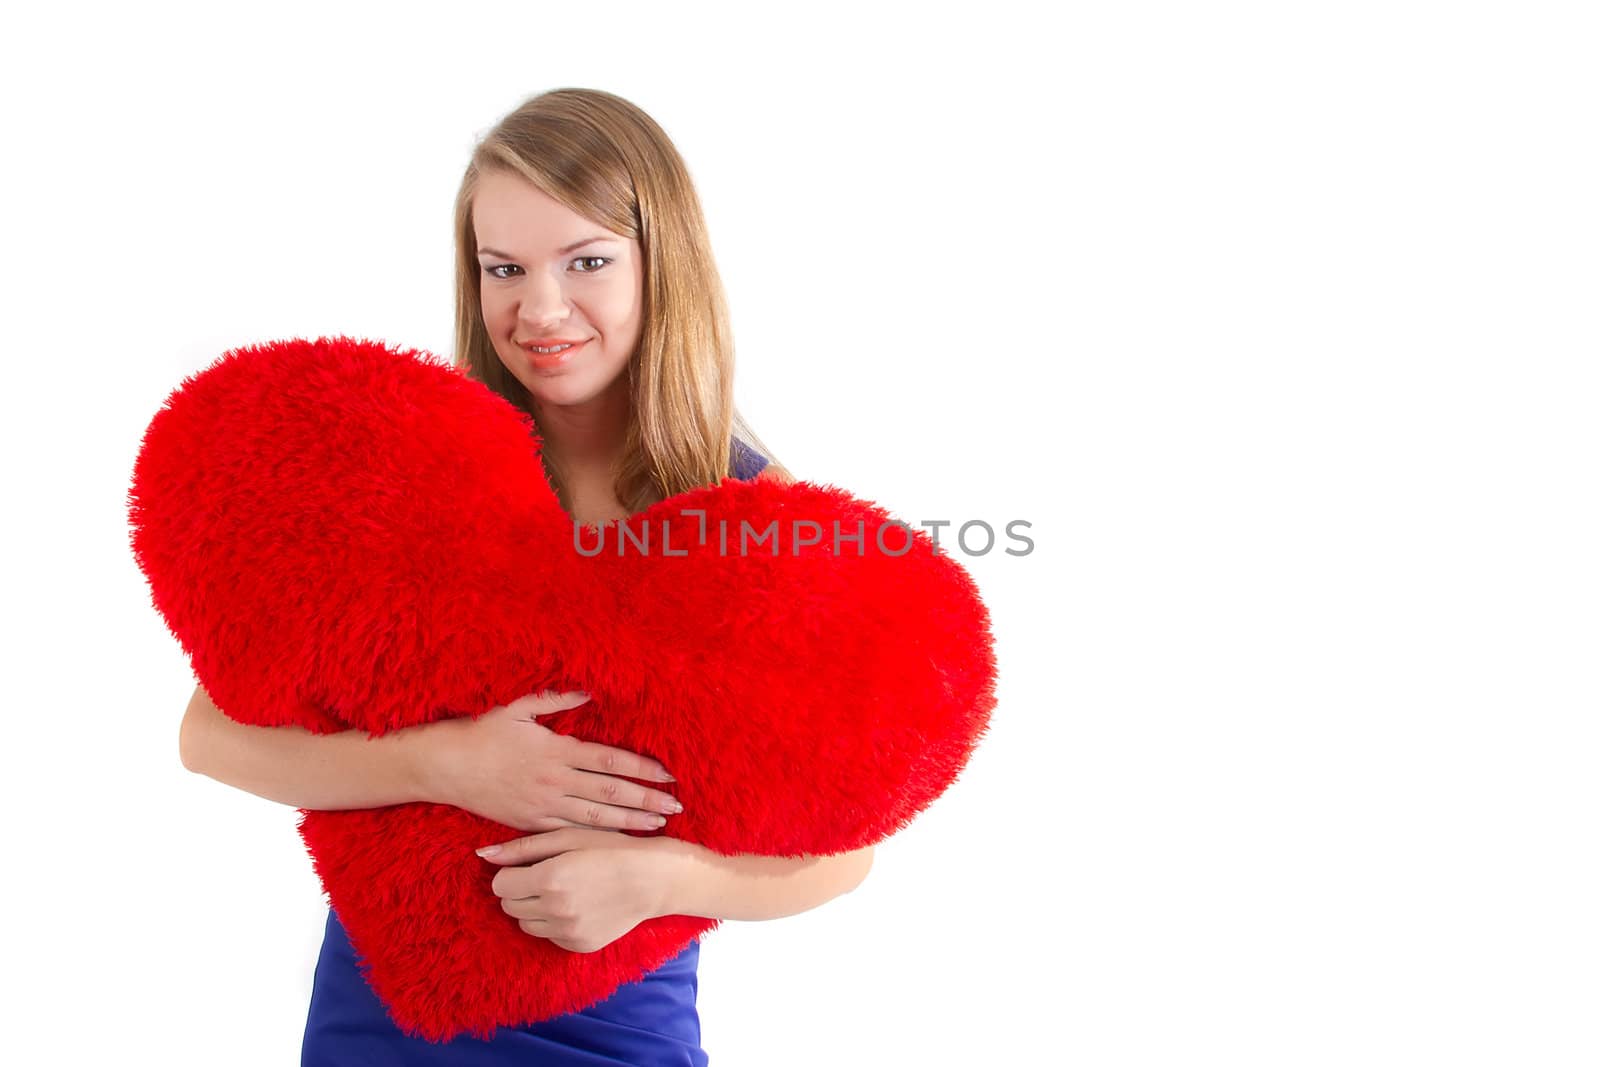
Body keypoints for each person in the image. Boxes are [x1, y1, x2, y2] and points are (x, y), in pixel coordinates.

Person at [177, 87, 876, 1066]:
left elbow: (847, 847)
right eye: (502, 268)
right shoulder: (409, 474)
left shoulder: (756, 513)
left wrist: (663, 879)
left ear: (659, 264)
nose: (538, 308)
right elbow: (209, 735)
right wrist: (442, 762)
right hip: (387, 1021)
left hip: (619, 1029)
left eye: (585, 261)